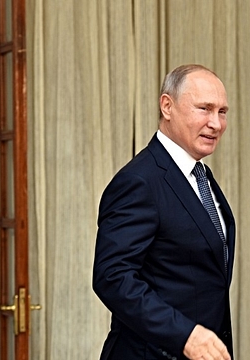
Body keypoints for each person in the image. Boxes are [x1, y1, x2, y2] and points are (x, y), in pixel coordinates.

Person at [93, 64, 234, 360]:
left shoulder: (200, 176)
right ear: (167, 106)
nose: (216, 123)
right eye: (204, 109)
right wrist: (185, 335)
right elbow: (113, 277)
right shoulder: (139, 181)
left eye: (222, 112)